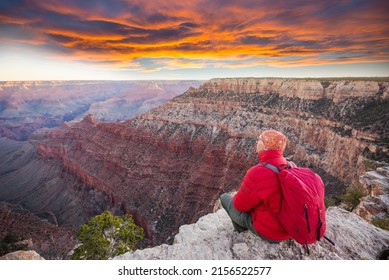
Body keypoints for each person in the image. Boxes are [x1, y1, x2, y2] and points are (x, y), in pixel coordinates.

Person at [220, 129, 292, 242]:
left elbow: (240, 205)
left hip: (271, 232)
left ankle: (241, 234)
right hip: (291, 229)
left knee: (225, 198)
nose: (256, 142)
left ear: (266, 147)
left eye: (259, 140)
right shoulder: (291, 166)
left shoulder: (258, 172)